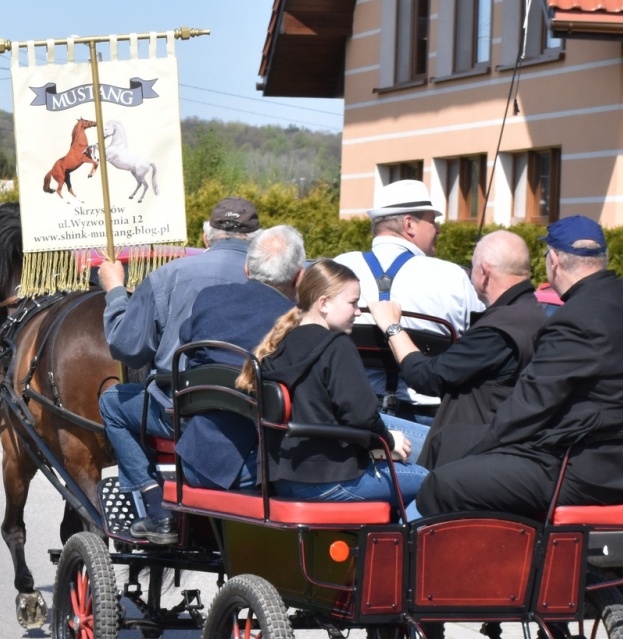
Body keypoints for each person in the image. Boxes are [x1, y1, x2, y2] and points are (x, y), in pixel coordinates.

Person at [417, 216, 623, 519]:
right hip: (615, 464)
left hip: (573, 466)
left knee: (442, 483)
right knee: (446, 443)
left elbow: (530, 407)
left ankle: (466, 565)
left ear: (553, 260)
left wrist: (477, 450)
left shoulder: (575, 317)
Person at [98, 196, 261, 542]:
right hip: (258, 411)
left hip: (182, 412)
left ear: (206, 237)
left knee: (112, 402)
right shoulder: (273, 278)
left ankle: (156, 508)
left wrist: (115, 292)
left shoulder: (168, 276)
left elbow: (128, 349)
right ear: (256, 239)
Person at [239, 260, 426, 510]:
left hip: (284, 479)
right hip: (332, 481)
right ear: (324, 303)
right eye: (352, 303)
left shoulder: (279, 344)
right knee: (435, 483)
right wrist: (389, 443)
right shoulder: (336, 346)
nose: (358, 312)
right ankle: (406, 549)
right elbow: (362, 417)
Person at [371, 229, 544, 469]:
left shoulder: (498, 330)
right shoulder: (532, 312)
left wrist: (392, 326)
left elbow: (426, 377)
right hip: (493, 445)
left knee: (367, 427)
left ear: (484, 272)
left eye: (471, 267)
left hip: (468, 454)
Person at [333, 178, 481, 419]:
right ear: (410, 224)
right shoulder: (452, 276)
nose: (439, 230)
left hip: (350, 414)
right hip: (429, 419)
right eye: (433, 221)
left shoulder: (338, 267)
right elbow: (476, 347)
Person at [171, 225, 305, 490]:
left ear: (247, 269)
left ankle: (150, 499)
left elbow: (188, 345)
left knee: (113, 403)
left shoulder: (210, 297)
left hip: (197, 453)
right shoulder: (297, 322)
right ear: (299, 277)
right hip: (259, 463)